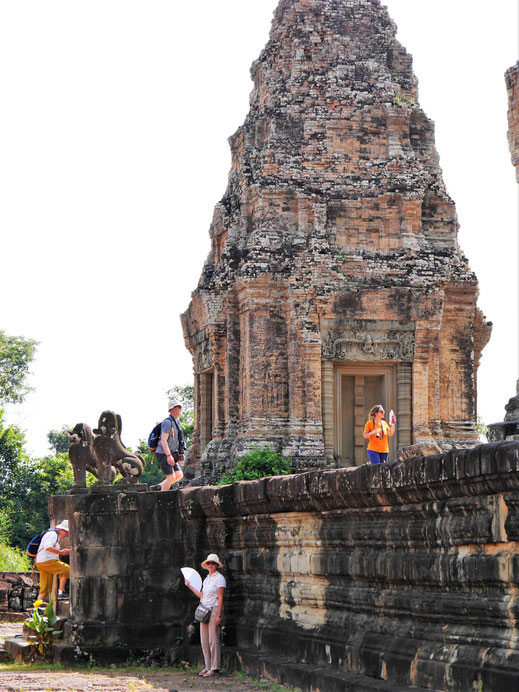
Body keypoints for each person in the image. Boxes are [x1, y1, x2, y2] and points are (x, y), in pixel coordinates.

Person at [184, 553, 226, 678]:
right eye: (209, 563)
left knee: (213, 640)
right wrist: (190, 586)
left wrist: (219, 615)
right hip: (204, 610)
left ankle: (215, 667)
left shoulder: (220, 578)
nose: (211, 565)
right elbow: (202, 595)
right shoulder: (207, 579)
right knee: (204, 640)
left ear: (217, 565)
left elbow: (220, 597)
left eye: (213, 563)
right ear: (207, 565)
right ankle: (208, 666)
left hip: (213, 610)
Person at [150, 399, 185, 491]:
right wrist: (169, 456)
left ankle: (158, 487)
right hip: (163, 453)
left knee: (179, 475)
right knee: (171, 477)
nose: (181, 409)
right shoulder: (167, 422)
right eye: (179, 407)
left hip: (171, 453)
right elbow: (163, 440)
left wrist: (180, 455)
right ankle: (161, 498)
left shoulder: (176, 423)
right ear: (172, 409)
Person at [36, 520, 70, 602]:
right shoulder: (53, 535)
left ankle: (35, 609)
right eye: (67, 532)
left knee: (45, 589)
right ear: (62, 530)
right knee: (68, 570)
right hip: (47, 561)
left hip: (41, 562)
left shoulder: (51, 534)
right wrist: (61, 552)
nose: (67, 535)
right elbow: (48, 547)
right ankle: (61, 593)